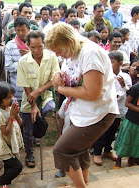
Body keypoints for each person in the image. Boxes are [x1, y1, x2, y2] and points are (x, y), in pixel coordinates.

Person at [45, 23, 119, 188]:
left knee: (62, 150)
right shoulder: (71, 52)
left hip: (98, 113)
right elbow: (68, 70)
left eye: (59, 51)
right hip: (82, 111)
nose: (58, 55)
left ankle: (80, 187)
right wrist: (58, 74)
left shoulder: (90, 54)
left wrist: (61, 89)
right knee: (78, 149)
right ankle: (83, 182)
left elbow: (93, 93)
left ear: (69, 42)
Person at [17, 30, 59, 168]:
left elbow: (55, 79)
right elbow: (26, 86)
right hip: (29, 99)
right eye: (33, 47)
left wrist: (39, 91)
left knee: (47, 111)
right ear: (28, 45)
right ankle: (29, 153)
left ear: (44, 44)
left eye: (40, 46)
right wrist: (34, 105)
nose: (37, 50)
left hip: (46, 95)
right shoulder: (23, 62)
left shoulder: (52, 58)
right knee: (28, 130)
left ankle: (38, 132)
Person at [92, 50, 132, 166]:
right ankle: (97, 152)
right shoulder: (104, 75)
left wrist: (123, 86)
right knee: (102, 131)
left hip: (118, 110)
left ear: (120, 63)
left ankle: (108, 150)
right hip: (105, 109)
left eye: (112, 62)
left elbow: (130, 93)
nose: (109, 64)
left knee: (112, 132)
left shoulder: (125, 77)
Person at [0, 81, 23, 187]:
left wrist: (16, 115)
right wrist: (12, 117)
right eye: (8, 98)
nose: (12, 99)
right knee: (17, 167)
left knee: (9, 166)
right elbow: (5, 132)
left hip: (11, 142)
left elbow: (21, 123)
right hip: (4, 145)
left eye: (12, 96)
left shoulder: (9, 108)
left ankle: (5, 183)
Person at [5, 17, 30, 106]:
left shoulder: (34, 44)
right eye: (18, 30)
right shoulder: (10, 45)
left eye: (23, 30)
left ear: (29, 29)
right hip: (16, 88)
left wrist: (31, 55)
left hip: (32, 87)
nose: (20, 33)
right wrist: (25, 60)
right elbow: (8, 66)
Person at [114, 82, 139, 168]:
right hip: (131, 120)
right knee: (125, 140)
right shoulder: (135, 88)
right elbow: (127, 103)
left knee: (136, 141)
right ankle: (118, 161)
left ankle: (131, 160)